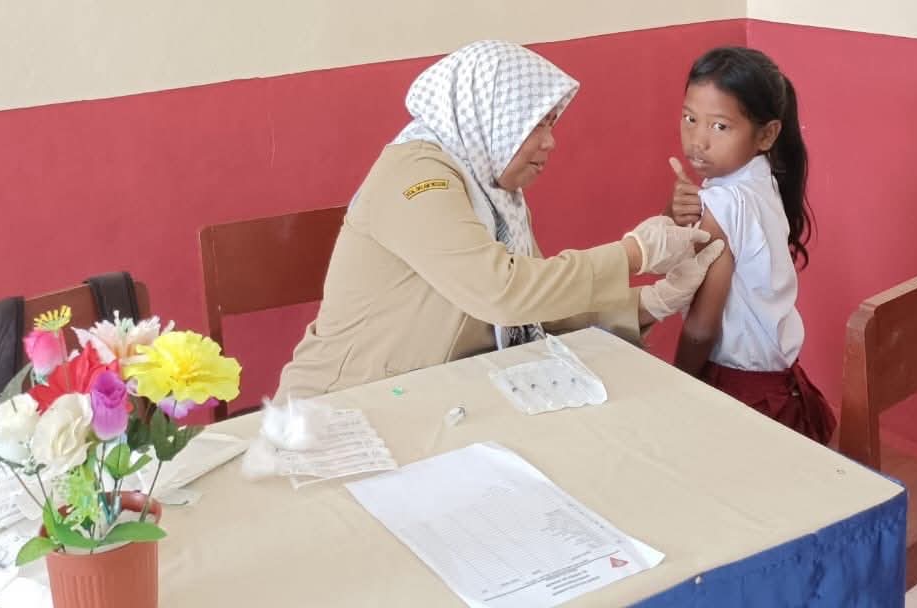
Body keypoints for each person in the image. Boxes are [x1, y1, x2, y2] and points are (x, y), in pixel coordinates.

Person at [276, 41, 724, 399]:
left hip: (433, 395)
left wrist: (653, 302)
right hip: (348, 403)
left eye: (552, 124)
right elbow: (502, 292)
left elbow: (538, 302)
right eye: (536, 125)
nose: (550, 143)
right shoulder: (415, 174)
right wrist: (633, 254)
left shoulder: (494, 190)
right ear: (492, 117)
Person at [665, 46, 835, 443]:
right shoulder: (761, 177)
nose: (698, 141)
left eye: (720, 127)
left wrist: (675, 386)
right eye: (690, 119)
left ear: (767, 134)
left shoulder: (722, 205)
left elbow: (700, 330)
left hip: (740, 393)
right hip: (781, 382)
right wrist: (674, 211)